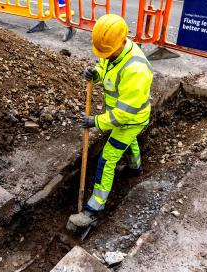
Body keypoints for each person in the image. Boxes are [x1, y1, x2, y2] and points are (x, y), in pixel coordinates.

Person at [69, 14, 153, 228]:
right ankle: (135, 168)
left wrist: (96, 122)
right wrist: (95, 74)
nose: (104, 56)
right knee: (129, 142)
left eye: (107, 53)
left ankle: (93, 209)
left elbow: (124, 114)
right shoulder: (113, 49)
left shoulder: (136, 70)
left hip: (131, 120)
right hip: (121, 118)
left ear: (123, 41)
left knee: (107, 159)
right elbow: (106, 68)